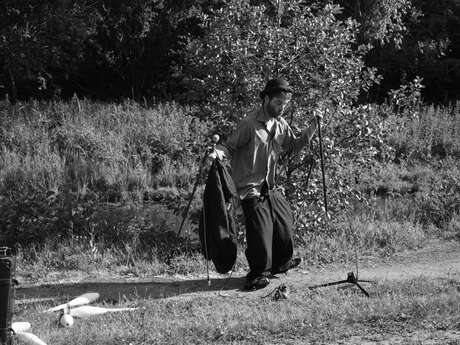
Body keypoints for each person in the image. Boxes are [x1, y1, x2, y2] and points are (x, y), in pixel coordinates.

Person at [208, 78, 321, 290]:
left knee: (284, 220)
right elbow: (229, 147)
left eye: (285, 104)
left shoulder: (280, 125)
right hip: (250, 189)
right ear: (266, 99)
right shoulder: (249, 124)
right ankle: (256, 274)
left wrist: (313, 126)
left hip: (269, 187)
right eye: (278, 103)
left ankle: (280, 263)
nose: (281, 108)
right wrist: (216, 153)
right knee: (260, 234)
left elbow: (294, 146)